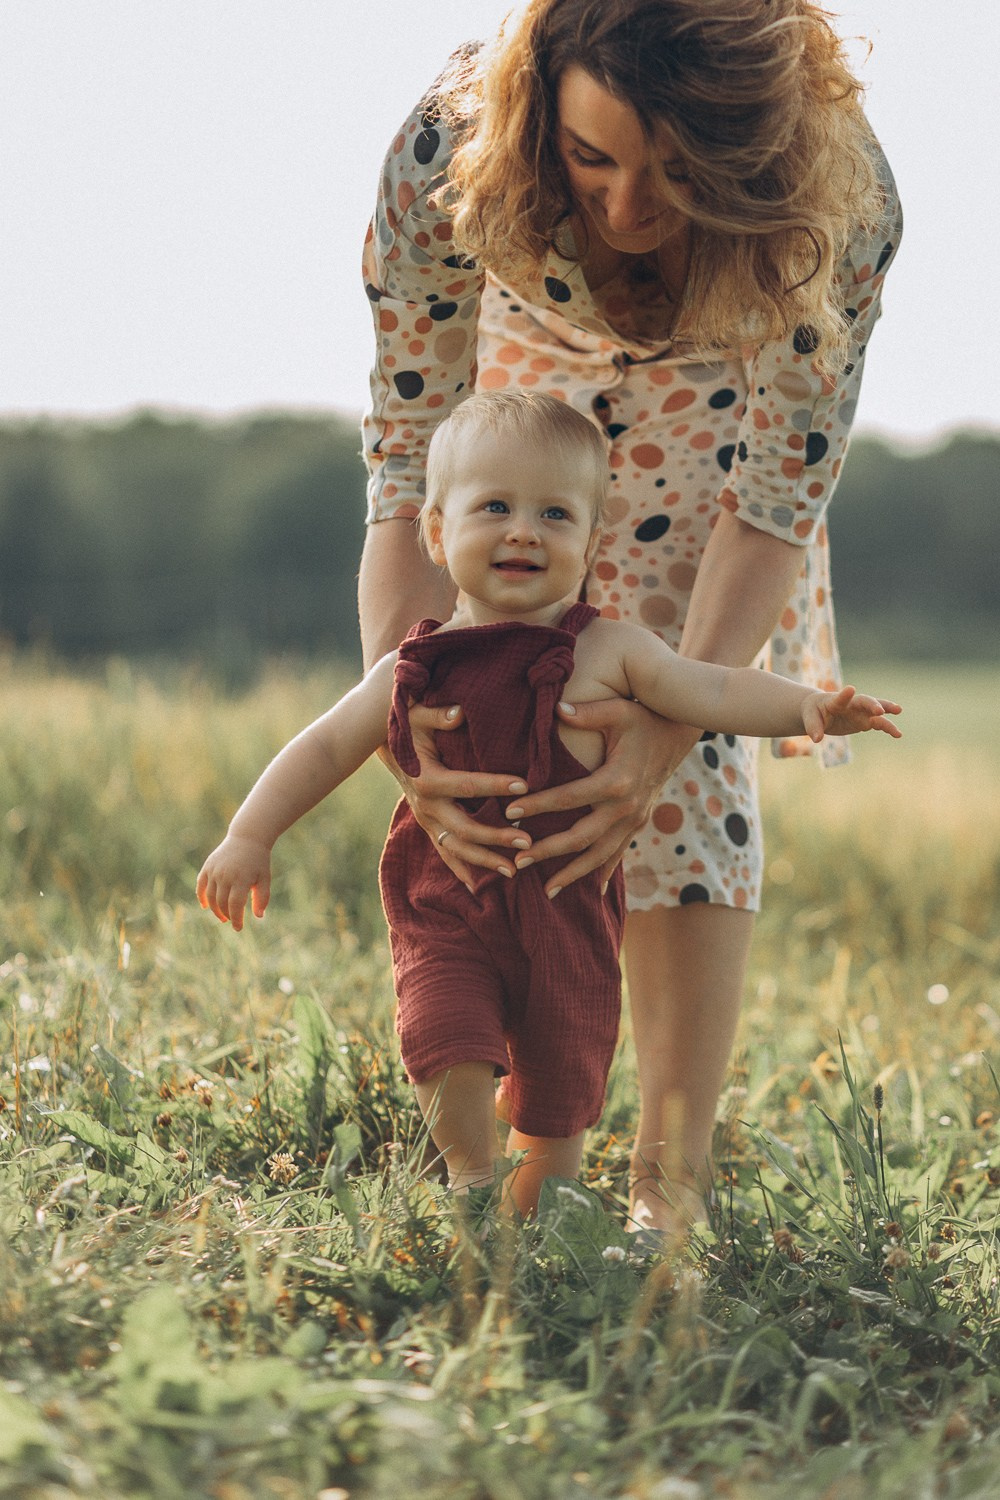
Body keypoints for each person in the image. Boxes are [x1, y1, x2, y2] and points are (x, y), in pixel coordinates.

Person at [358, 0, 902, 1236]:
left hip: (725, 363)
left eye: (673, 170)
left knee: (670, 721)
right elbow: (407, 449)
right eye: (591, 157)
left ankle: (674, 1180)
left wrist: (671, 726)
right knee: (518, 718)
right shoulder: (448, 149)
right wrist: (413, 726)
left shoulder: (840, 200)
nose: (623, 206)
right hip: (525, 364)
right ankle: (524, 1141)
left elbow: (775, 493)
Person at [198, 391, 901, 1218]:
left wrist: (806, 708)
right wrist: (252, 832)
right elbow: (322, 745)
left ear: (592, 542)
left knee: (561, 1087)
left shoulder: (611, 650)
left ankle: (537, 1219)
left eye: (555, 514)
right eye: (494, 507)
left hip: (568, 913)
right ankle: (468, 1177)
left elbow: (713, 687)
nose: (524, 530)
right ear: (435, 532)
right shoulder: (413, 665)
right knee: (447, 1035)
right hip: (449, 901)